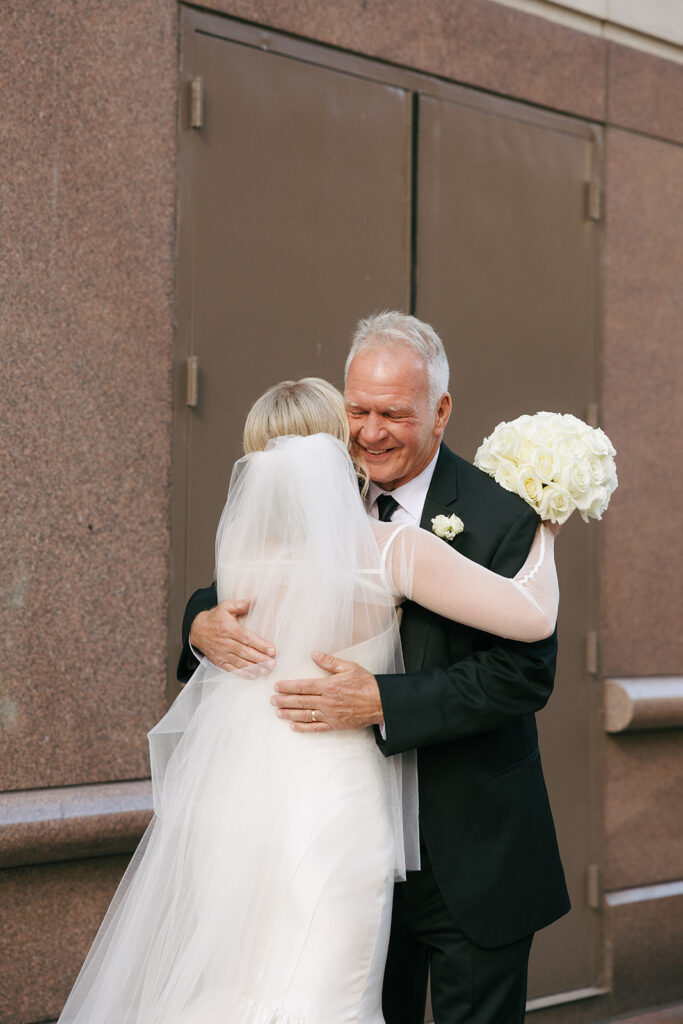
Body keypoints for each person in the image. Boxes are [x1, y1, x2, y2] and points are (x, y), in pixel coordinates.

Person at [179, 314, 570, 1024]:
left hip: (468, 850)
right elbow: (231, 597)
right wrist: (198, 626)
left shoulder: (503, 514)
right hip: (336, 848)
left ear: (440, 412)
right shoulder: (312, 493)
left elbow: (523, 675)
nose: (368, 433)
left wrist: (383, 702)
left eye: (393, 414)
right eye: (356, 411)